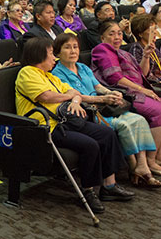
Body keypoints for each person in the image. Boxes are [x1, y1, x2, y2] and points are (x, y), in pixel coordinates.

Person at [16, 37, 134, 213]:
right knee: (90, 145)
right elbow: (46, 96)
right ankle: (88, 191)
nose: (54, 58)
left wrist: (75, 101)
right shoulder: (27, 73)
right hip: (45, 127)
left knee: (107, 133)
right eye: (50, 54)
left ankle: (109, 186)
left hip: (66, 120)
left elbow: (75, 92)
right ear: (39, 55)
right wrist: (69, 97)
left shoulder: (49, 76)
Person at [51, 33, 161, 188]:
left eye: (75, 47)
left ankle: (142, 165)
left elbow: (98, 87)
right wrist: (103, 99)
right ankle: (133, 166)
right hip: (88, 112)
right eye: (67, 48)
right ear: (57, 53)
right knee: (124, 125)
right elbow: (74, 96)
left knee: (139, 119)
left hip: (104, 106)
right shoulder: (57, 73)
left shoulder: (82, 67)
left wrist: (111, 92)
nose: (73, 51)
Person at [91, 20, 161, 174]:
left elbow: (142, 74)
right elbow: (115, 78)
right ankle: (150, 160)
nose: (117, 37)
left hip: (138, 91)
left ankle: (160, 156)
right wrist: (142, 90)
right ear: (102, 38)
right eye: (111, 34)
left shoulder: (124, 52)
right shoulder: (102, 49)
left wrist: (145, 56)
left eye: (119, 33)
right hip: (125, 94)